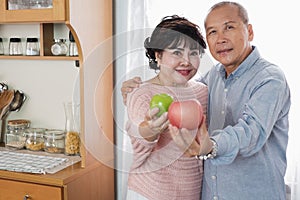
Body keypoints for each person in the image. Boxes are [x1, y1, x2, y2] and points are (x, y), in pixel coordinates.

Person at [121, 2, 291, 200]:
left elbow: (251, 132)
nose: (220, 39)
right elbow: (177, 87)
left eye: (229, 27)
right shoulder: (213, 77)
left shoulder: (269, 79)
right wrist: (136, 90)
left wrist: (211, 146)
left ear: (249, 32)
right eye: (212, 32)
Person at [125, 15, 208, 200]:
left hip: (192, 192)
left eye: (193, 53)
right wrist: (151, 129)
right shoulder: (141, 93)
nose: (186, 61)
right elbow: (139, 134)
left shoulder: (202, 92)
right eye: (177, 52)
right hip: (150, 193)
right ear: (158, 55)